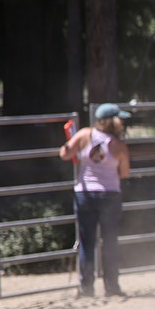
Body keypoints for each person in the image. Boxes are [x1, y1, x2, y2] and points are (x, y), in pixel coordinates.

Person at [60, 102, 132, 298]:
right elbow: (124, 173)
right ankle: (112, 286)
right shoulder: (119, 145)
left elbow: (65, 153)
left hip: (85, 195)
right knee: (110, 241)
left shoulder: (84, 134)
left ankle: (86, 287)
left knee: (87, 242)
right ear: (114, 122)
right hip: (110, 194)